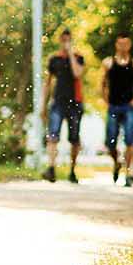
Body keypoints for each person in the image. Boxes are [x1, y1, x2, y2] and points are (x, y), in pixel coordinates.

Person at [101, 33, 133, 187]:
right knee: (111, 142)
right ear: (116, 44)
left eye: (126, 43)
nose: (123, 47)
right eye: (120, 43)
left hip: (128, 106)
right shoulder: (108, 63)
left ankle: (129, 172)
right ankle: (116, 163)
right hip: (113, 105)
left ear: (129, 45)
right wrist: (106, 102)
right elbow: (102, 84)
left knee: (129, 139)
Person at [41, 29, 86, 183]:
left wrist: (71, 54)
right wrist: (43, 104)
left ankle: (72, 170)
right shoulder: (54, 59)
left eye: (68, 40)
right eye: (63, 40)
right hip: (58, 102)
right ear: (60, 40)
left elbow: (77, 74)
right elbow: (47, 83)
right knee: (53, 136)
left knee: (74, 139)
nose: (65, 42)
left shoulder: (79, 57)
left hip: (75, 103)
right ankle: (51, 168)